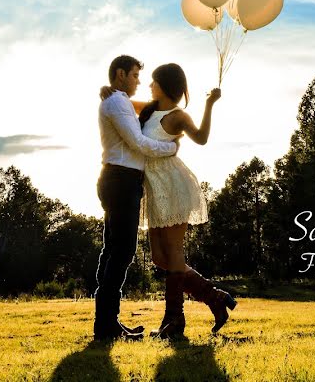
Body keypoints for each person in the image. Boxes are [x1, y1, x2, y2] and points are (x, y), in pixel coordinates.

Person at [101, 63, 237, 339]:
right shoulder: (149, 108)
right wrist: (109, 90)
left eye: (153, 81)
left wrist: (210, 104)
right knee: (161, 259)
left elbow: (201, 137)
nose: (149, 85)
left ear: (164, 85)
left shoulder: (178, 116)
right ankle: (215, 298)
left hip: (173, 185)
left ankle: (174, 321)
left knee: (174, 254)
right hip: (153, 190)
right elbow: (123, 103)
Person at [93, 55, 179, 342]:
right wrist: (170, 148)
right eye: (134, 75)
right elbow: (138, 143)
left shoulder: (119, 101)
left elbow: (147, 112)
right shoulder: (117, 102)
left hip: (120, 180)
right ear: (120, 74)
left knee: (113, 251)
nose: (139, 81)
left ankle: (107, 323)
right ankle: (106, 326)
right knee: (122, 251)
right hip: (120, 180)